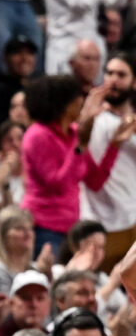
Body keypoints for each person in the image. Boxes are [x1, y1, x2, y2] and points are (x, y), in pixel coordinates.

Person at [22, 76, 135, 252]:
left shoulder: (74, 132)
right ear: (62, 104)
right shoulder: (37, 135)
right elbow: (57, 184)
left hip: (71, 228)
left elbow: (95, 181)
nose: (81, 102)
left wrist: (115, 144)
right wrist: (80, 146)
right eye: (76, 97)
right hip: (44, 227)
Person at [87, 53, 136, 270]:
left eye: (121, 74)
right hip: (102, 221)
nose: (113, 79)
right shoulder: (93, 119)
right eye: (109, 73)